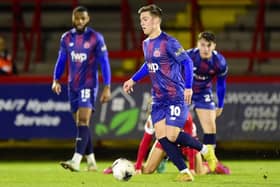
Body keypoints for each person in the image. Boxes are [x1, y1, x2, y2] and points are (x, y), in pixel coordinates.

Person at [122, 4, 217, 182]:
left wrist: (188, 87)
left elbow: (187, 63)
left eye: (145, 19)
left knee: (172, 135)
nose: (141, 23)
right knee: (162, 137)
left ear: (156, 20)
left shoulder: (168, 42)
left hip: (175, 95)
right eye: (141, 20)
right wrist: (133, 79)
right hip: (158, 98)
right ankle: (185, 172)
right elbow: (148, 65)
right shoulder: (145, 43)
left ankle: (205, 150)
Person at [51, 6, 111, 172]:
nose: (79, 21)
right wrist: (56, 79)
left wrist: (107, 86)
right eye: (77, 18)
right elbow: (62, 59)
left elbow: (104, 63)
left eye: (82, 18)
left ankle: (76, 161)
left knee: (83, 121)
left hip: (88, 84)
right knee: (81, 125)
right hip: (73, 86)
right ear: (73, 19)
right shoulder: (66, 38)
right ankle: (91, 161)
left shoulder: (95, 38)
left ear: (88, 19)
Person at [186, 31, 228, 165]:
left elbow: (221, 84)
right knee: (174, 126)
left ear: (214, 46)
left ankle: (211, 163)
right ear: (198, 44)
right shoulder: (188, 56)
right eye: (202, 45)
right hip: (184, 91)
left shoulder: (219, 62)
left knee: (210, 127)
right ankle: (164, 158)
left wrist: (220, 105)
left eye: (208, 45)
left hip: (203, 92)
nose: (205, 49)